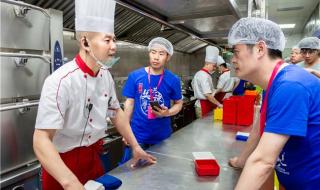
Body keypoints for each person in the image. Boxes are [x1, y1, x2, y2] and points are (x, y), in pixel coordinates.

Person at [33, 1, 156, 189]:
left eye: (114, 40)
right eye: (107, 40)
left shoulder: (105, 75)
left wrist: (136, 147)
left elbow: (116, 113)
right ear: (85, 42)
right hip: (62, 167)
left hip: (93, 159)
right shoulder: (60, 81)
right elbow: (41, 140)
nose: (114, 46)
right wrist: (70, 183)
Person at [228, 17, 320, 189]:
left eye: (236, 51)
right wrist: (241, 161)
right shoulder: (273, 84)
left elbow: (263, 162)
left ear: (260, 49)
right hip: (293, 180)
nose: (233, 60)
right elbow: (259, 130)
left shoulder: (291, 85)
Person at [121, 37, 183, 161]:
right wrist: (125, 131)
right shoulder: (135, 76)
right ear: (149, 53)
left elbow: (179, 103)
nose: (156, 57)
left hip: (162, 137)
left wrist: (168, 113)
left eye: (161, 54)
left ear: (168, 57)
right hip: (137, 136)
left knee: (159, 173)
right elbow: (129, 104)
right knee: (131, 172)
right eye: (153, 52)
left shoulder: (173, 79)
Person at [192, 46, 223, 118]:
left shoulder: (201, 73)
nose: (214, 68)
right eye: (214, 66)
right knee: (202, 127)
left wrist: (215, 91)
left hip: (206, 104)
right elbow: (207, 94)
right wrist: (219, 104)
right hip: (203, 105)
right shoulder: (203, 75)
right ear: (207, 64)